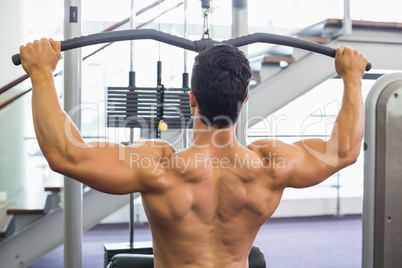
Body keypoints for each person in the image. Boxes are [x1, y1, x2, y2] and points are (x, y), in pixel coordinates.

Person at [19, 39, 367, 268]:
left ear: (192, 99)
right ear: (245, 99)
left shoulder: (158, 167)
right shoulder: (269, 166)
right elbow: (345, 151)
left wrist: (42, 74)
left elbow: (66, 154)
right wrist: (351, 77)